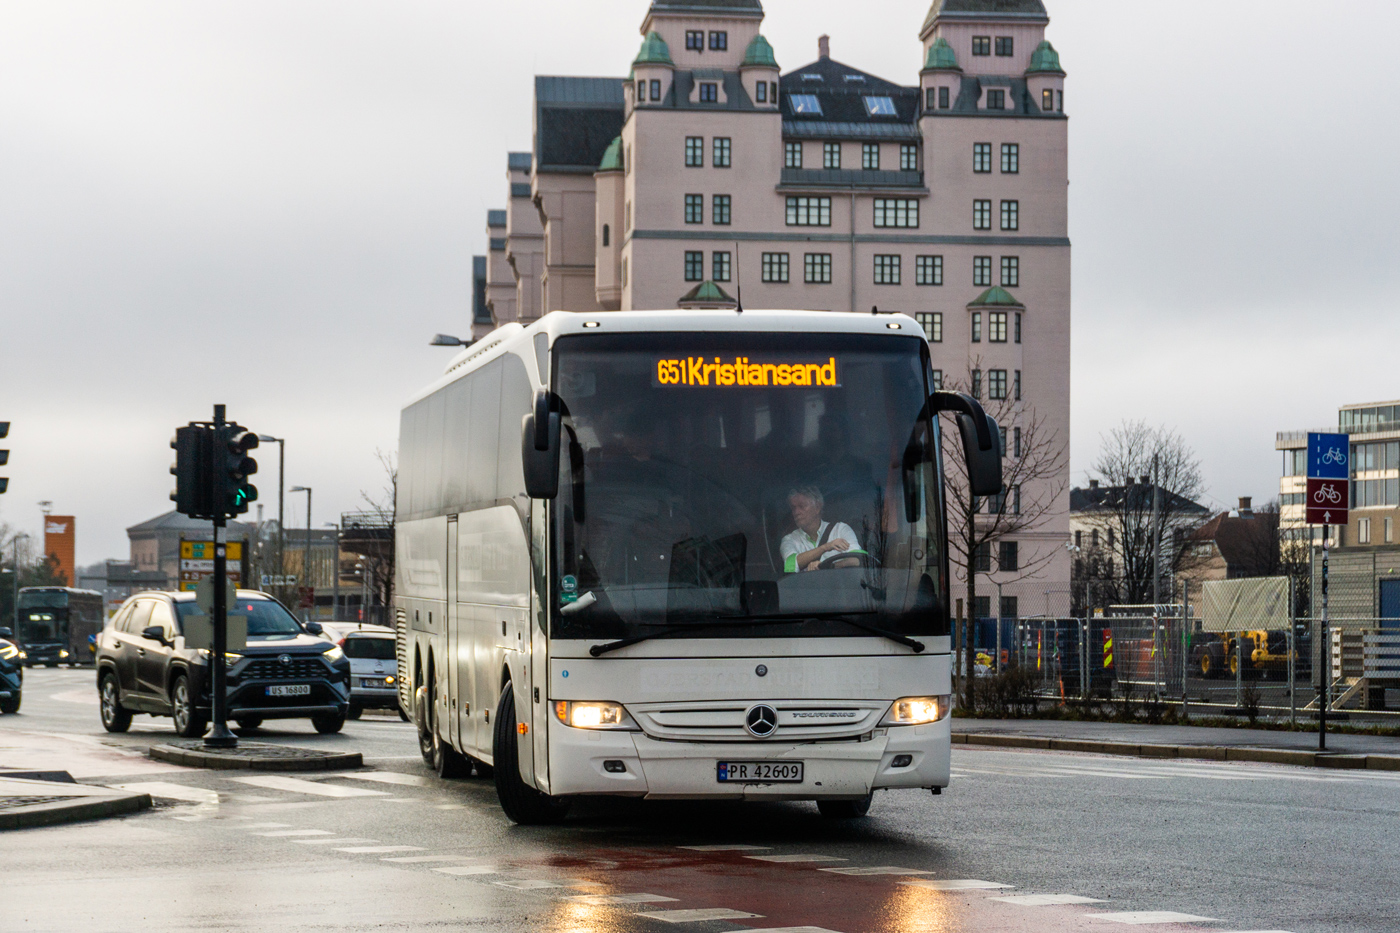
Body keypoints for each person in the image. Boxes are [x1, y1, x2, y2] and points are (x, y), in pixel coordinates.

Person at [780, 486, 862, 573]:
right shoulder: (789, 540)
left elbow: (858, 559)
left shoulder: (841, 529)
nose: (796, 512)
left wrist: (829, 566)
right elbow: (790, 565)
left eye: (802, 506)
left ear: (818, 507)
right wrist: (825, 547)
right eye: (793, 508)